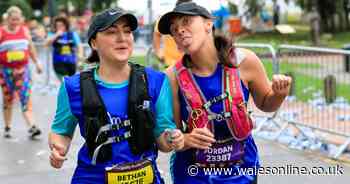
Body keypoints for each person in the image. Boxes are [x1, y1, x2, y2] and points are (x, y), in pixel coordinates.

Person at [158, 2, 292, 183]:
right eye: (174, 29)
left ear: (208, 24)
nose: (180, 30)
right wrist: (185, 139)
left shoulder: (244, 60)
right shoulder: (171, 77)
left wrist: (278, 94)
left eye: (186, 21)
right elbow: (170, 134)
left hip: (242, 171)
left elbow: (266, 104)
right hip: (194, 175)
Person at [48, 8, 184, 184]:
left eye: (127, 31)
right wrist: (58, 148)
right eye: (112, 32)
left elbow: (164, 141)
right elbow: (60, 132)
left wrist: (172, 138)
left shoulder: (156, 81)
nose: (122, 38)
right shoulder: (73, 87)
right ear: (94, 43)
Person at [0, 6, 43, 138]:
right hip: (5, 71)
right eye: (13, 19)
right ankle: (7, 126)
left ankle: (32, 126)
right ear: (8, 19)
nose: (15, 22)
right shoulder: (1, 32)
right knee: (8, 99)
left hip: (22, 70)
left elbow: (31, 48)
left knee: (25, 96)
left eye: (17, 19)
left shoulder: (24, 30)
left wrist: (37, 63)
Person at [152, 0, 191, 67]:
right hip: (171, 63)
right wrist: (158, 52)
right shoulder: (166, 20)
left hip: (190, 63)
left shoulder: (195, 21)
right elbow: (157, 33)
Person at [45, 16, 83, 81]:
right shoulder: (52, 34)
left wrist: (80, 57)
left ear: (66, 25)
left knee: (70, 85)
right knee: (64, 82)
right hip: (58, 63)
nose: (59, 27)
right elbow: (46, 44)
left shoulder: (72, 34)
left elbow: (79, 46)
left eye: (61, 25)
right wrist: (56, 35)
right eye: (57, 26)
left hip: (71, 63)